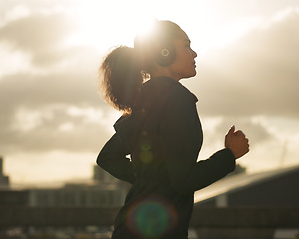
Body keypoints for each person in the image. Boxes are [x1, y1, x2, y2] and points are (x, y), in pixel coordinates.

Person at [97, 20, 249, 239]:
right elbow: (184, 180)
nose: (194, 53)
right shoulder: (178, 100)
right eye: (186, 45)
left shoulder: (144, 102)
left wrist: (150, 179)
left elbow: (108, 158)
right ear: (165, 52)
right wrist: (230, 155)